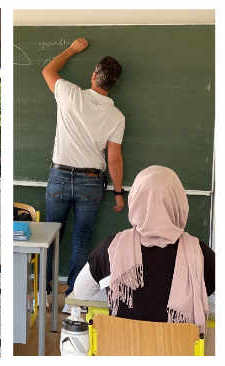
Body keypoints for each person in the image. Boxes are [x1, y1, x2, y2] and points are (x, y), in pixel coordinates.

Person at [72, 166, 215, 330]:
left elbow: (81, 292)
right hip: (178, 352)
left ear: (135, 200)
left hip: (121, 350)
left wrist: (117, 291)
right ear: (180, 202)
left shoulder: (112, 247)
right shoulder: (200, 253)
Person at [41, 38, 125, 296]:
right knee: (81, 240)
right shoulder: (116, 116)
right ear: (114, 84)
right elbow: (114, 158)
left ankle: (44, 290)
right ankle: (73, 297)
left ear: (93, 76)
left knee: (49, 236)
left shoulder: (68, 93)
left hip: (60, 175)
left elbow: (47, 71)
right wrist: (119, 193)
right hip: (91, 181)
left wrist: (72, 50)